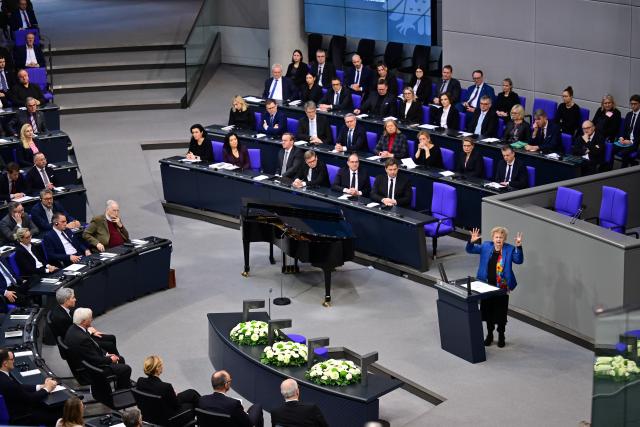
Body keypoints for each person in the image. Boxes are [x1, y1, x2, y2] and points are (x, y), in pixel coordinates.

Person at [466, 226, 524, 347]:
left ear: (504, 239)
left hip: (501, 288)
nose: (498, 239)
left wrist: (518, 246)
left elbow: (519, 260)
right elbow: (470, 250)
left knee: (501, 314)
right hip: (486, 286)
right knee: (487, 312)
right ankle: (490, 335)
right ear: (493, 238)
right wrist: (471, 241)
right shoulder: (486, 246)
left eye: (501, 237)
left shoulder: (509, 249)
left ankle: (501, 335)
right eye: (496, 237)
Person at [65, 307, 132, 389]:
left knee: (120, 359)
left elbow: (93, 348)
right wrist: (110, 359)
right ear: (83, 321)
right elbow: (95, 360)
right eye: (90, 318)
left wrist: (106, 354)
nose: (92, 319)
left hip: (87, 363)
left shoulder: (74, 329)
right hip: (92, 371)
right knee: (126, 368)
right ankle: (123, 390)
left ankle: (123, 383)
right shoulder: (82, 339)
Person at [49, 288, 120, 354]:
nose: (75, 299)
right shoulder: (61, 318)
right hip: (79, 343)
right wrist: (90, 332)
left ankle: (116, 360)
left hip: (82, 334)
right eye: (73, 298)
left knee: (112, 337)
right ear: (66, 301)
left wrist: (91, 329)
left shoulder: (63, 308)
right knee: (109, 345)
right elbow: (73, 335)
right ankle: (116, 361)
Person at [0, 348, 60, 426]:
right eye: (12, 359)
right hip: (23, 416)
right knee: (57, 413)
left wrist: (41, 386)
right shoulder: (8, 383)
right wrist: (47, 389)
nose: (14, 361)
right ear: (5, 363)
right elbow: (30, 398)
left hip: (13, 408)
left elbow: (19, 387)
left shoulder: (4, 377)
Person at [198, 369, 264, 427]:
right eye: (230, 380)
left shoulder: (202, 400)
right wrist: (243, 412)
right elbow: (248, 424)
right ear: (226, 384)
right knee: (257, 407)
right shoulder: (234, 404)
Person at [136, 355, 201, 414]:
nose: (162, 366)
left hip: (150, 414)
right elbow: (176, 405)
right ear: (157, 369)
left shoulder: (140, 381)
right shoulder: (165, 387)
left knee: (191, 393)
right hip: (168, 418)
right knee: (191, 400)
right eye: (161, 365)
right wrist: (173, 395)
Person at [613, 94, 640, 168]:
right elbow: (624, 129)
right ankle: (607, 168)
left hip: (635, 143)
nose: (633, 106)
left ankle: (623, 171)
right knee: (612, 148)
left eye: (635, 104)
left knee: (624, 153)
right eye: (631, 104)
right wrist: (621, 137)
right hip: (625, 140)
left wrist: (631, 142)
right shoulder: (629, 114)